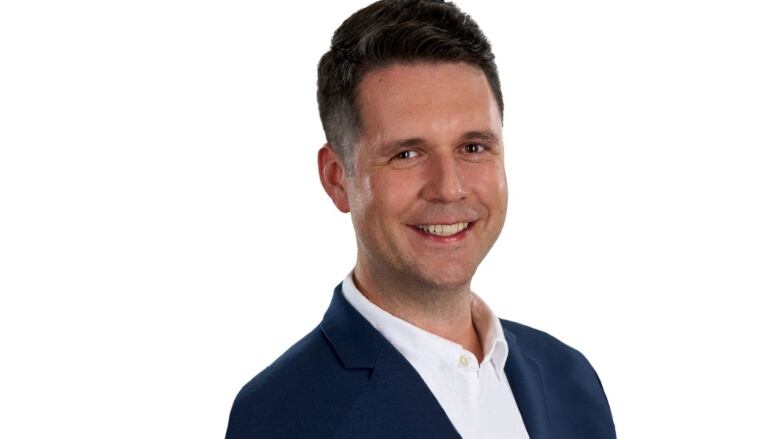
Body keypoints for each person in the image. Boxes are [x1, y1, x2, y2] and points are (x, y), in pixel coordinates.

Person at [226, 1, 616, 438]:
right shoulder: (283, 416)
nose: (449, 188)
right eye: (407, 154)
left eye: (473, 147)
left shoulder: (569, 378)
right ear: (337, 179)